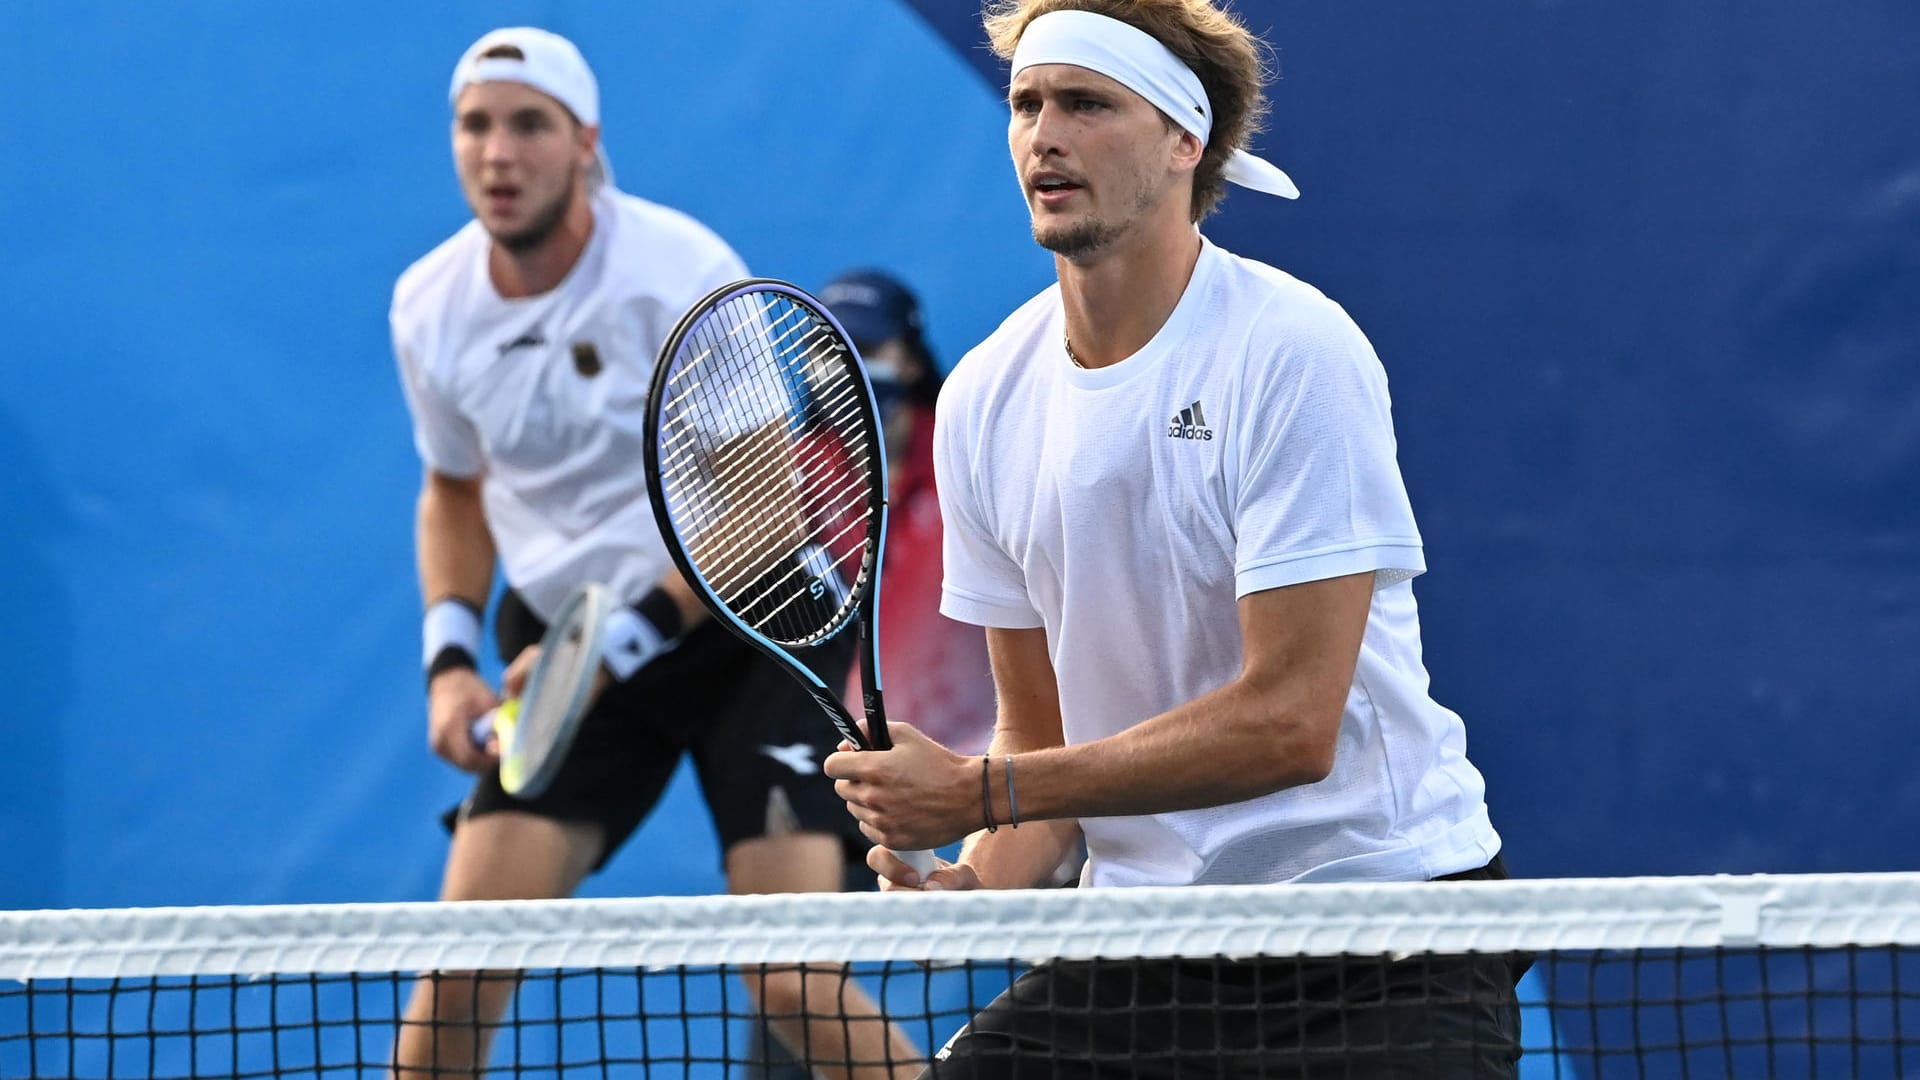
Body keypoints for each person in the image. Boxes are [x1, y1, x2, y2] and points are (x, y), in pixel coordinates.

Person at [822, 2, 1527, 1076]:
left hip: (1380, 929)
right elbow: (1037, 732)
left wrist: (983, 793)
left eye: (1087, 104)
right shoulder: (983, 400)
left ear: (1183, 142)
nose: (1043, 134)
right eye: (1026, 104)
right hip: (1149, 942)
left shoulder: (1292, 351)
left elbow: (1291, 723)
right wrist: (982, 880)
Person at [388, 27, 918, 1079]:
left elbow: (768, 513)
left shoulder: (680, 273)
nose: (499, 154)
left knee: (791, 977)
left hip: (739, 629)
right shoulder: (429, 308)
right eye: (476, 125)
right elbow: (453, 490)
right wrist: (450, 658)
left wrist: (609, 654)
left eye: (529, 126)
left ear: (585, 142)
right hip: (564, 640)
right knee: (454, 979)